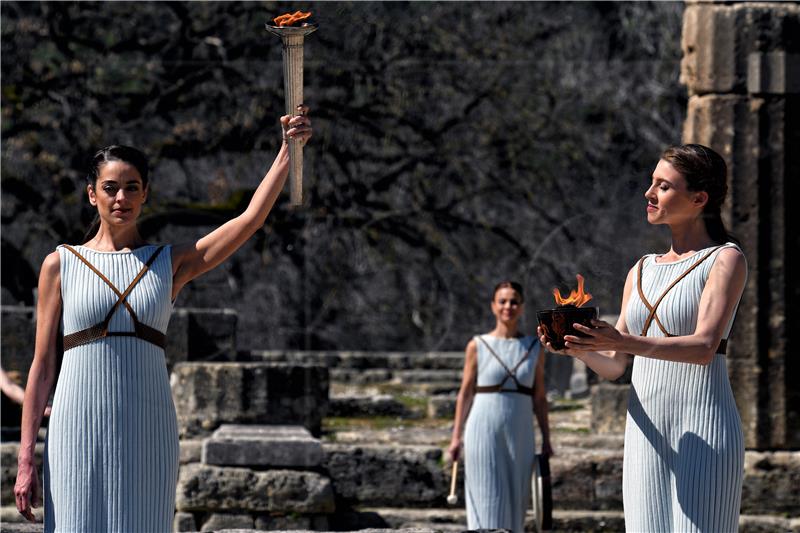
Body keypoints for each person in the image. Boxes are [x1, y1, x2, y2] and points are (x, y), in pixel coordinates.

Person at [14, 108, 312, 531]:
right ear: (92, 194)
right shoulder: (60, 265)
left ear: (145, 193)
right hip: (75, 423)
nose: (121, 198)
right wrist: (26, 457)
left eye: (131, 188)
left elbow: (248, 221)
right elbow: (42, 366)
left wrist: (288, 150)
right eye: (110, 188)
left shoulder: (168, 263)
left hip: (148, 423)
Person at [540, 144, 747, 532]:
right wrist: (580, 348)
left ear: (699, 198)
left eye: (663, 186)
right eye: (651, 182)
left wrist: (622, 340)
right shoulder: (640, 270)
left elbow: (704, 348)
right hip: (645, 435)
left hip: (703, 426)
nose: (648, 193)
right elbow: (617, 366)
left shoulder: (724, 259)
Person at [449, 281, 552, 533]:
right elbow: (465, 393)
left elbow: (539, 397)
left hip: (520, 430)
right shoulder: (477, 345)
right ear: (493, 306)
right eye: (503, 301)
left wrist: (547, 439)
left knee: (517, 503)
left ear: (522, 307)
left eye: (514, 301)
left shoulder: (534, 347)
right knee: (487, 499)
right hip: (482, 428)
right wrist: (455, 438)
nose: (508, 306)